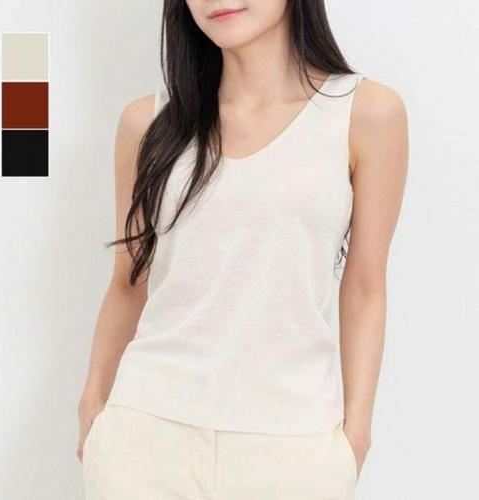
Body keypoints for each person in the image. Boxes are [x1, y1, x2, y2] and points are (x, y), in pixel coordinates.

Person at [77, 1, 408, 499]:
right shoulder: (148, 123)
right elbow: (129, 283)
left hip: (293, 448)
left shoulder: (365, 113)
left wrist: (355, 436)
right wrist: (93, 403)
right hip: (144, 438)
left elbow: (364, 286)